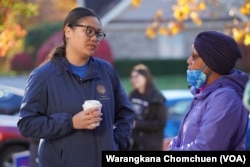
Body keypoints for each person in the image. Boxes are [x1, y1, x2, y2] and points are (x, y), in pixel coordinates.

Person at [17, 7, 134, 167]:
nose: (95, 38)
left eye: (98, 33)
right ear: (68, 32)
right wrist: (71, 122)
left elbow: (126, 113)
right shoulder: (43, 76)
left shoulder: (106, 71)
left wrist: (116, 144)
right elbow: (27, 124)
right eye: (88, 31)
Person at [166, 31, 249, 150]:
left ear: (211, 62)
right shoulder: (202, 94)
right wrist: (172, 145)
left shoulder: (225, 98)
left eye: (194, 57)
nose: (188, 61)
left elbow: (205, 148)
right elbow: (184, 138)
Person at [129, 64, 167, 150]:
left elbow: (160, 123)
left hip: (151, 146)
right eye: (132, 77)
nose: (134, 80)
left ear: (145, 76)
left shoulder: (156, 97)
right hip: (134, 145)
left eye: (136, 76)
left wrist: (137, 124)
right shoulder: (132, 95)